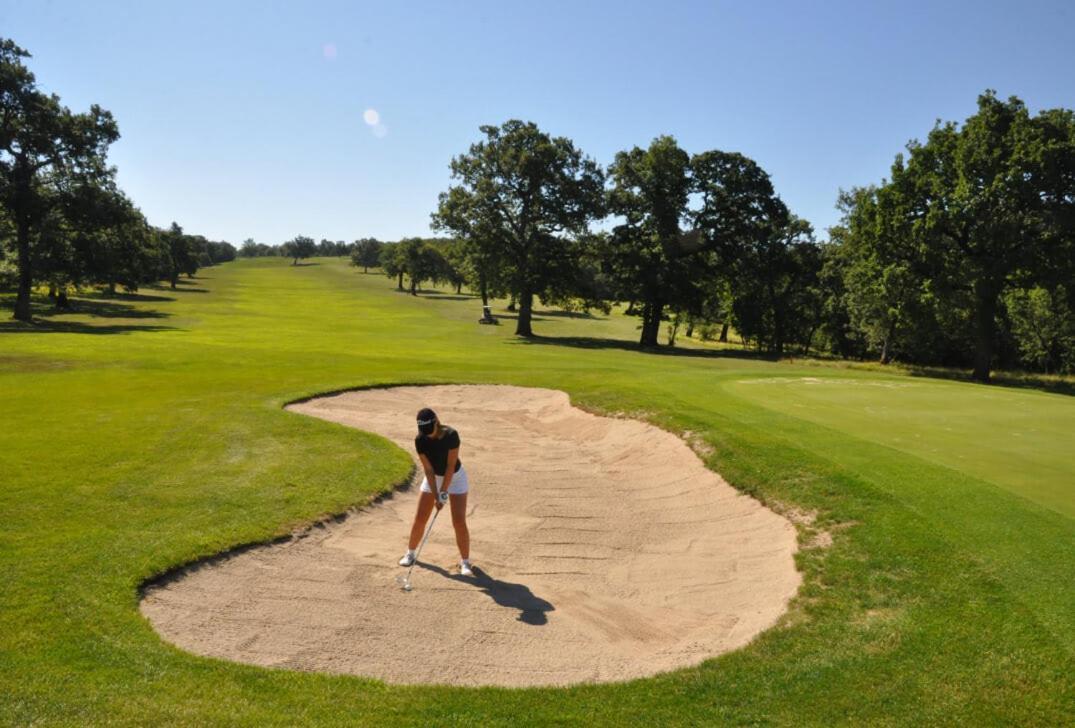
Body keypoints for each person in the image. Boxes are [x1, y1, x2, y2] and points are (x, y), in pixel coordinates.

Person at [399, 407, 473, 576]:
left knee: (459, 521)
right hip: (434, 478)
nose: (428, 435)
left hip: (455, 478)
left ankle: (465, 562)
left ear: (436, 422)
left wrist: (443, 494)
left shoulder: (451, 435)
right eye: (424, 432)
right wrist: (435, 494)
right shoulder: (420, 440)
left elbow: (450, 466)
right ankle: (410, 553)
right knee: (420, 518)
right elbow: (429, 471)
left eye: (430, 430)